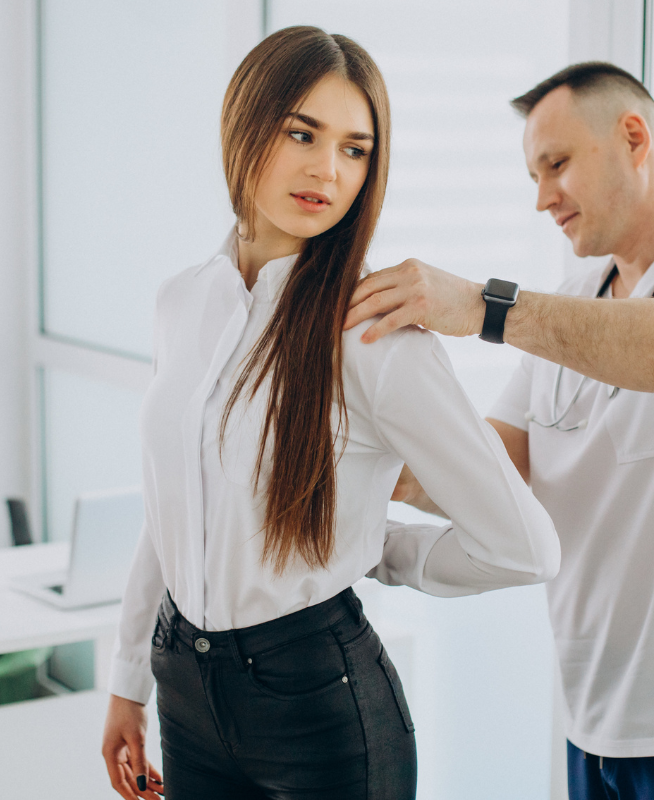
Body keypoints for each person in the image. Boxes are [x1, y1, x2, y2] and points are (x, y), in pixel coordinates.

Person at [101, 26, 560, 800]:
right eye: (303, 133)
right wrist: (126, 682)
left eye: (356, 149)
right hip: (182, 686)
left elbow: (525, 548)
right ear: (244, 123)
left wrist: (375, 549)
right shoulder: (180, 302)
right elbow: (170, 503)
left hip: (318, 705)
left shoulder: (373, 330)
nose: (328, 170)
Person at [348, 62, 654, 799]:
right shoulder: (578, 302)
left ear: (634, 136)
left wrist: (482, 308)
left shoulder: (567, 321)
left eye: (557, 165)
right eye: (532, 176)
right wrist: (331, 466)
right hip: (596, 720)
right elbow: (485, 475)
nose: (544, 198)